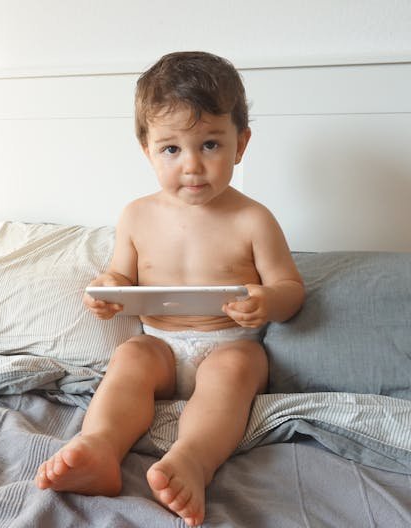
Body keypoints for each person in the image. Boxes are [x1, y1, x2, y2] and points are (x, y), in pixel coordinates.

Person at [35, 51, 305, 527]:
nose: (192, 166)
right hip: (161, 344)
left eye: (210, 145)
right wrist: (107, 290)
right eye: (172, 149)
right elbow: (120, 275)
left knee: (237, 368)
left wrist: (267, 302)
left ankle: (193, 461)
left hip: (229, 341)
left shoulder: (253, 219)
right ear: (147, 150)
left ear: (240, 144)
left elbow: (290, 288)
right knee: (130, 358)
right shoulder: (136, 216)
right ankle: (100, 447)